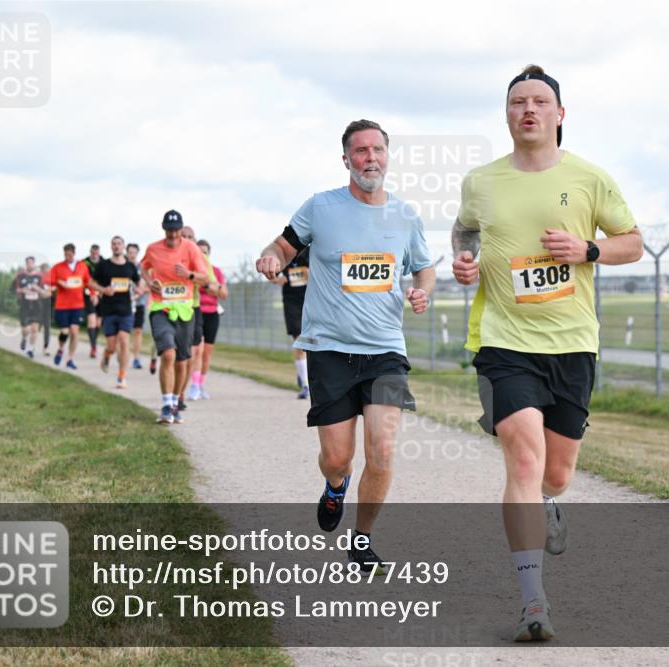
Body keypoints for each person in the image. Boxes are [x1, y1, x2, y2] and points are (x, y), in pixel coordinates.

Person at [452, 64, 643, 641]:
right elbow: (464, 232)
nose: (527, 110)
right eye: (517, 102)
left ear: (560, 115)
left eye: (539, 101)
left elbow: (632, 243)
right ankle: (533, 600)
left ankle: (551, 504)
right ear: (507, 115)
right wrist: (465, 262)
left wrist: (588, 249)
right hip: (504, 342)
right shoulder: (481, 182)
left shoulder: (589, 178)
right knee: (525, 459)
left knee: (555, 473)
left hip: (573, 345)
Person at [256, 119, 434, 573]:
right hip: (329, 348)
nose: (370, 158)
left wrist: (422, 291)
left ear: (387, 156)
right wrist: (271, 259)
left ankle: (362, 538)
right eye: (360, 151)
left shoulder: (406, 216)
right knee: (338, 458)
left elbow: (423, 268)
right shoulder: (321, 208)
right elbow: (283, 245)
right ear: (346, 160)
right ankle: (336, 487)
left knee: (384, 450)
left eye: (377, 150)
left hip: (386, 350)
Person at [140, 210, 210, 424]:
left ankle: (176, 402)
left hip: (185, 309)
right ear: (164, 229)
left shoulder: (191, 248)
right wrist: (149, 282)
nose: (172, 234)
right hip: (160, 307)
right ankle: (166, 405)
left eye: (176, 230)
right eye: (169, 230)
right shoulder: (153, 249)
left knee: (182, 360)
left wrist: (188, 274)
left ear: (181, 229)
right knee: (168, 354)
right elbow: (143, 267)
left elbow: (204, 277)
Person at [92, 236, 140, 388]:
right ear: (111, 247)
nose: (116, 246)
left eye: (119, 244)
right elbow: (91, 282)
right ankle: (106, 355)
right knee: (112, 346)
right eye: (114, 244)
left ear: (123, 246)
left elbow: (139, 283)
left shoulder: (130, 267)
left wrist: (137, 293)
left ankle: (122, 376)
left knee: (124, 340)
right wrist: (103, 290)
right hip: (109, 310)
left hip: (125, 310)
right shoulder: (104, 265)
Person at [176, 225, 218, 405]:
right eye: (183, 235)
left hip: (192, 308)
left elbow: (212, 283)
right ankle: (173, 394)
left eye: (190, 236)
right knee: (172, 354)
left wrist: (191, 276)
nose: (186, 239)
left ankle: (181, 394)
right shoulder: (168, 254)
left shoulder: (200, 258)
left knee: (191, 353)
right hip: (169, 309)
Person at [268, 246, 311, 399]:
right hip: (291, 303)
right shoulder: (283, 253)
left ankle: (305, 373)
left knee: (313, 345)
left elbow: (314, 273)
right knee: (299, 344)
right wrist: (277, 279)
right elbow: (272, 275)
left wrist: (301, 275)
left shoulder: (311, 251)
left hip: (311, 301)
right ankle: (305, 385)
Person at [45, 243, 92, 370]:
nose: (68, 256)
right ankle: (60, 349)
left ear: (74, 253)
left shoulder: (82, 267)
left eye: (70, 254)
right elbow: (48, 280)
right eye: (66, 254)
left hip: (77, 304)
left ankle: (70, 358)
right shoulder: (57, 267)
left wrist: (93, 294)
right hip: (62, 305)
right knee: (65, 331)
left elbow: (88, 282)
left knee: (75, 331)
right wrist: (59, 282)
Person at [194, 239, 227, 399]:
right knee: (197, 350)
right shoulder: (193, 272)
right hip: (196, 311)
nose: (202, 255)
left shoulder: (216, 272)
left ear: (209, 254)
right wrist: (209, 287)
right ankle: (193, 385)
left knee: (207, 353)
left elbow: (223, 294)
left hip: (212, 313)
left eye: (205, 252)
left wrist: (212, 288)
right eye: (199, 252)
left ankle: (201, 385)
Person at [127, 243, 155, 372]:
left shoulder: (143, 268)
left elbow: (150, 287)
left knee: (138, 331)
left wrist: (141, 291)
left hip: (140, 304)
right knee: (125, 332)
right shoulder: (122, 267)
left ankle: (136, 358)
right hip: (125, 304)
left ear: (137, 254)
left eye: (134, 252)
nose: (132, 255)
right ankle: (125, 356)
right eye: (130, 252)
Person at [13, 257, 45, 358]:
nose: (30, 265)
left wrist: (38, 289)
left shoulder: (40, 277)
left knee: (35, 329)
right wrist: (22, 290)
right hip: (24, 305)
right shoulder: (20, 276)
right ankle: (24, 338)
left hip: (36, 305)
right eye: (28, 263)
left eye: (31, 263)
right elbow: (15, 289)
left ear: (34, 264)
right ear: (26, 264)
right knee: (26, 329)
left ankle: (31, 349)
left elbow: (45, 292)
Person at [83, 244, 103, 358]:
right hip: (88, 295)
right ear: (90, 252)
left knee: (99, 322)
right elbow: (84, 279)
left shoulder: (104, 262)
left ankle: (93, 343)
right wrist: (92, 293)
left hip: (102, 295)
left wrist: (101, 292)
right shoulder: (84, 263)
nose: (94, 254)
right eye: (93, 252)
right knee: (92, 321)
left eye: (97, 252)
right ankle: (93, 347)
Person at [39, 262, 53, 355]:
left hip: (48, 303)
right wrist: (41, 292)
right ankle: (30, 344)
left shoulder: (52, 277)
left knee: (47, 326)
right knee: (36, 325)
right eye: (43, 268)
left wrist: (50, 291)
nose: (45, 270)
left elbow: (55, 287)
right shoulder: (38, 277)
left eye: (46, 268)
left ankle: (46, 347)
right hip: (38, 303)